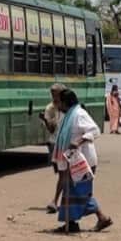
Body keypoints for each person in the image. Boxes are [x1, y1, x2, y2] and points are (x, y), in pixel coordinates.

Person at [53, 88, 112, 233]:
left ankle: (102, 217)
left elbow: (94, 130)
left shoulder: (79, 114)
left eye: (59, 102)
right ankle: (71, 223)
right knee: (71, 192)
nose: (57, 105)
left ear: (65, 102)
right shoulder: (67, 116)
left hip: (83, 161)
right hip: (71, 161)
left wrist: (79, 142)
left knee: (80, 193)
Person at [40, 83, 67, 213]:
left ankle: (55, 201)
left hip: (65, 144)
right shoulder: (50, 108)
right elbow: (51, 130)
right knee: (62, 173)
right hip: (54, 143)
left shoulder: (68, 107)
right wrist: (46, 121)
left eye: (56, 94)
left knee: (63, 174)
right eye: (52, 94)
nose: (54, 97)